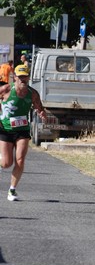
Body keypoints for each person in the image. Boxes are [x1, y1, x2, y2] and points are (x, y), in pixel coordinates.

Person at [0, 64, 47, 201]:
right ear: (14, 77)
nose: (22, 79)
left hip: (22, 130)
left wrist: (42, 113)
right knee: (6, 163)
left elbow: (39, 107)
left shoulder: (33, 94)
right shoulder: (5, 90)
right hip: (6, 129)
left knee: (20, 160)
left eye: (25, 76)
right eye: (20, 77)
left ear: (29, 77)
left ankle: (12, 190)